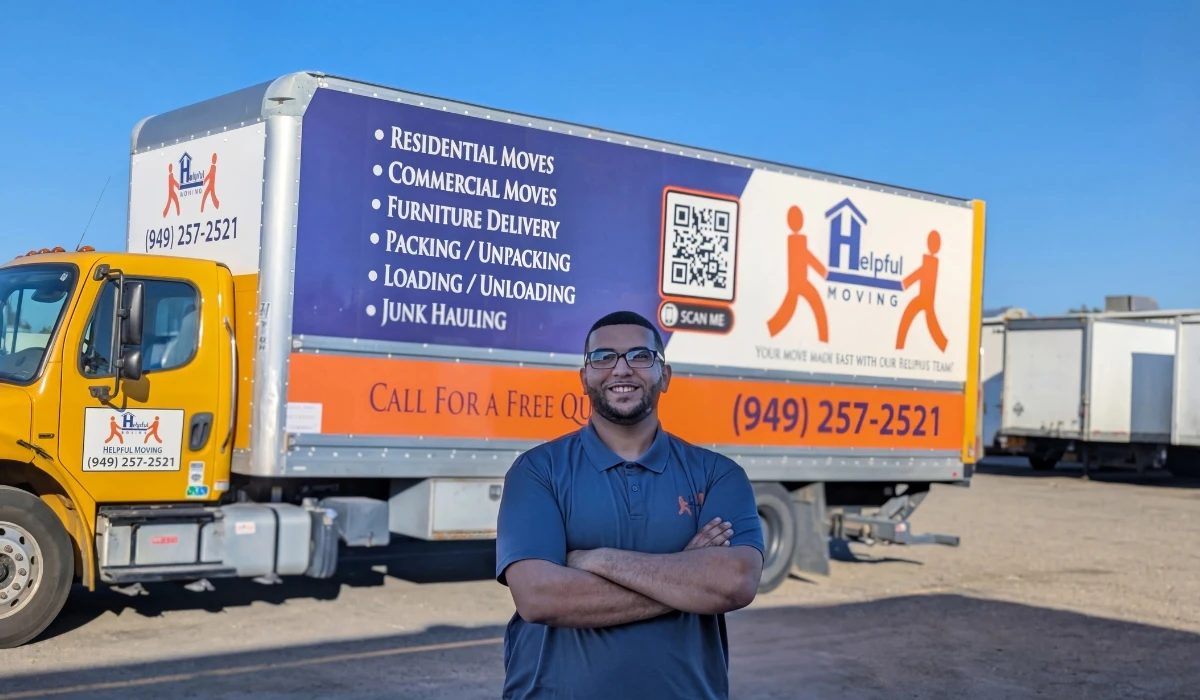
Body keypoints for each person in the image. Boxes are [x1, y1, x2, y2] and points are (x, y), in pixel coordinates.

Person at [495, 310, 765, 699]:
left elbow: (734, 584)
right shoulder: (537, 472)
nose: (621, 369)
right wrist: (685, 577)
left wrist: (596, 559)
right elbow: (539, 598)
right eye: (603, 358)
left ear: (665, 376)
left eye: (640, 356)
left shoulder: (718, 475)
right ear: (584, 378)